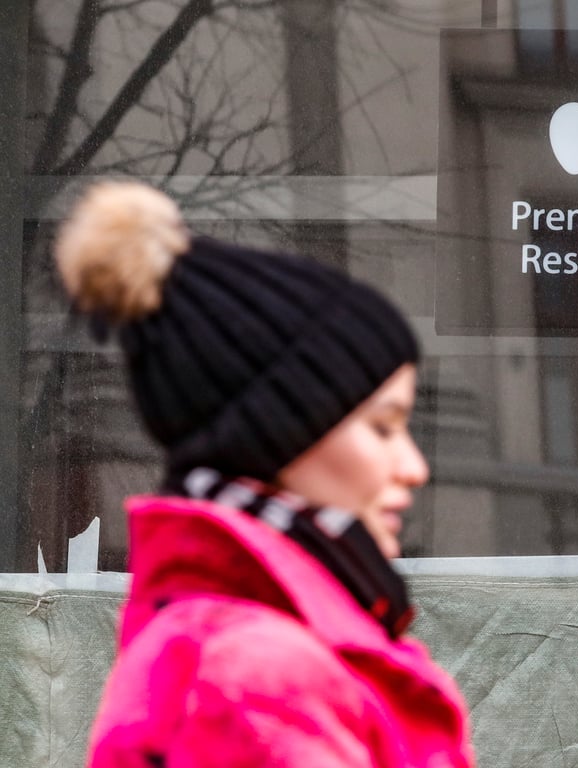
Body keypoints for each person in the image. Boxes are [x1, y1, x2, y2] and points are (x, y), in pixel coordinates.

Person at [56, 181, 475, 768]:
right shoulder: (261, 674)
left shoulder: (245, 646)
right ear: (280, 433)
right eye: (383, 427)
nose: (414, 468)